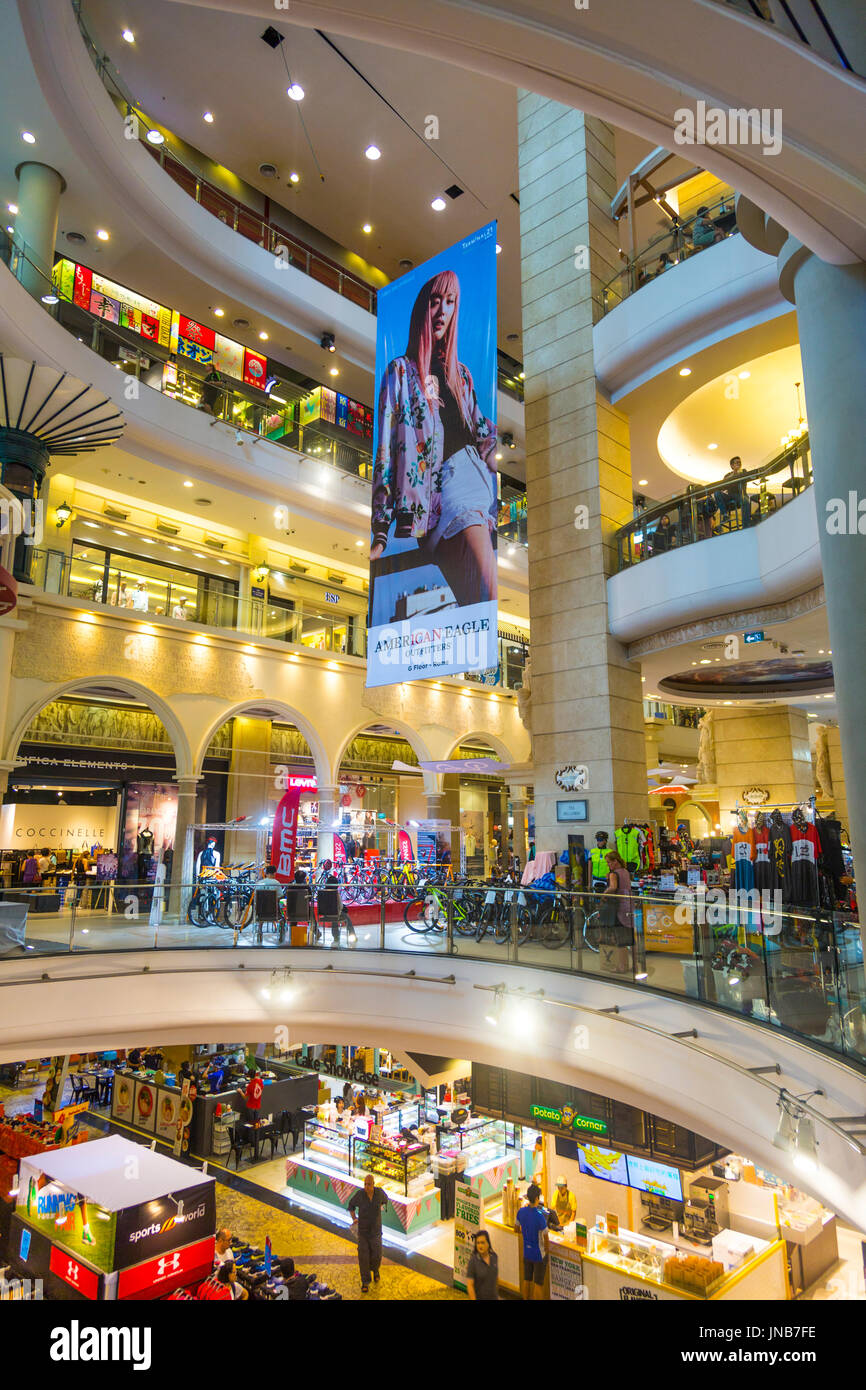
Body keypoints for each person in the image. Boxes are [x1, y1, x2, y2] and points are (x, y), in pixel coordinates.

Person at [370, 269, 498, 610]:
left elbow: (482, 434)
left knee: (479, 604)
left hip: (479, 489)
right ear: (423, 308)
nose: (442, 311)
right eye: (435, 301)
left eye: (451, 302)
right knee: (485, 600)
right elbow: (385, 448)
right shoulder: (400, 372)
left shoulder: (461, 376)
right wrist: (381, 526)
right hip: (446, 494)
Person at [347, 1173, 388, 1292]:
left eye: (369, 1184)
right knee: (363, 1257)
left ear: (373, 1184)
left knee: (377, 1254)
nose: (366, 1186)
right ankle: (365, 1281)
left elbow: (385, 1200)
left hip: (376, 1231)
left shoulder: (379, 1193)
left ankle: (375, 1270)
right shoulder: (360, 1195)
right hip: (363, 1232)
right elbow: (351, 1206)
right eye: (365, 1184)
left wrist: (378, 1207)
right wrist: (354, 1219)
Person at [600, 849, 634, 969]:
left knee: (620, 939)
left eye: (609, 862)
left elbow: (613, 887)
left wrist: (604, 894)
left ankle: (622, 966)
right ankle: (632, 965)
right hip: (629, 905)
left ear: (615, 861)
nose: (608, 865)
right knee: (629, 937)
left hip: (619, 908)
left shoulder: (614, 874)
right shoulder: (625, 872)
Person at [516, 1184, 549, 1300]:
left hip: (527, 1252)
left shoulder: (521, 1212)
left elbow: (516, 1229)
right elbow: (546, 1238)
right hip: (539, 1255)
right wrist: (547, 1250)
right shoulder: (540, 1217)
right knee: (538, 1284)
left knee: (527, 1280)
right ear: (536, 1198)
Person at [466, 1229, 499, 1301]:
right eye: (478, 1243)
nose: (480, 1246)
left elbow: (496, 1278)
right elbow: (470, 1285)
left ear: (488, 1243)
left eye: (482, 1243)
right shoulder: (473, 1262)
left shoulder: (494, 1257)